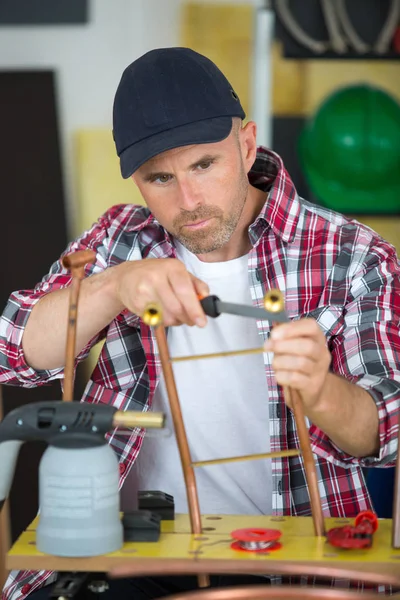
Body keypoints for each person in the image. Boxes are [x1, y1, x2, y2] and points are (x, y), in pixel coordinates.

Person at [1, 47, 400, 600]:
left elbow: (383, 435)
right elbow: (13, 353)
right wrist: (114, 285)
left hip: (286, 563)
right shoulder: (120, 238)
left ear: (247, 143)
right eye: (159, 178)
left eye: (204, 165)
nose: (188, 201)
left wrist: (322, 391)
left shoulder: (352, 255)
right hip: (126, 557)